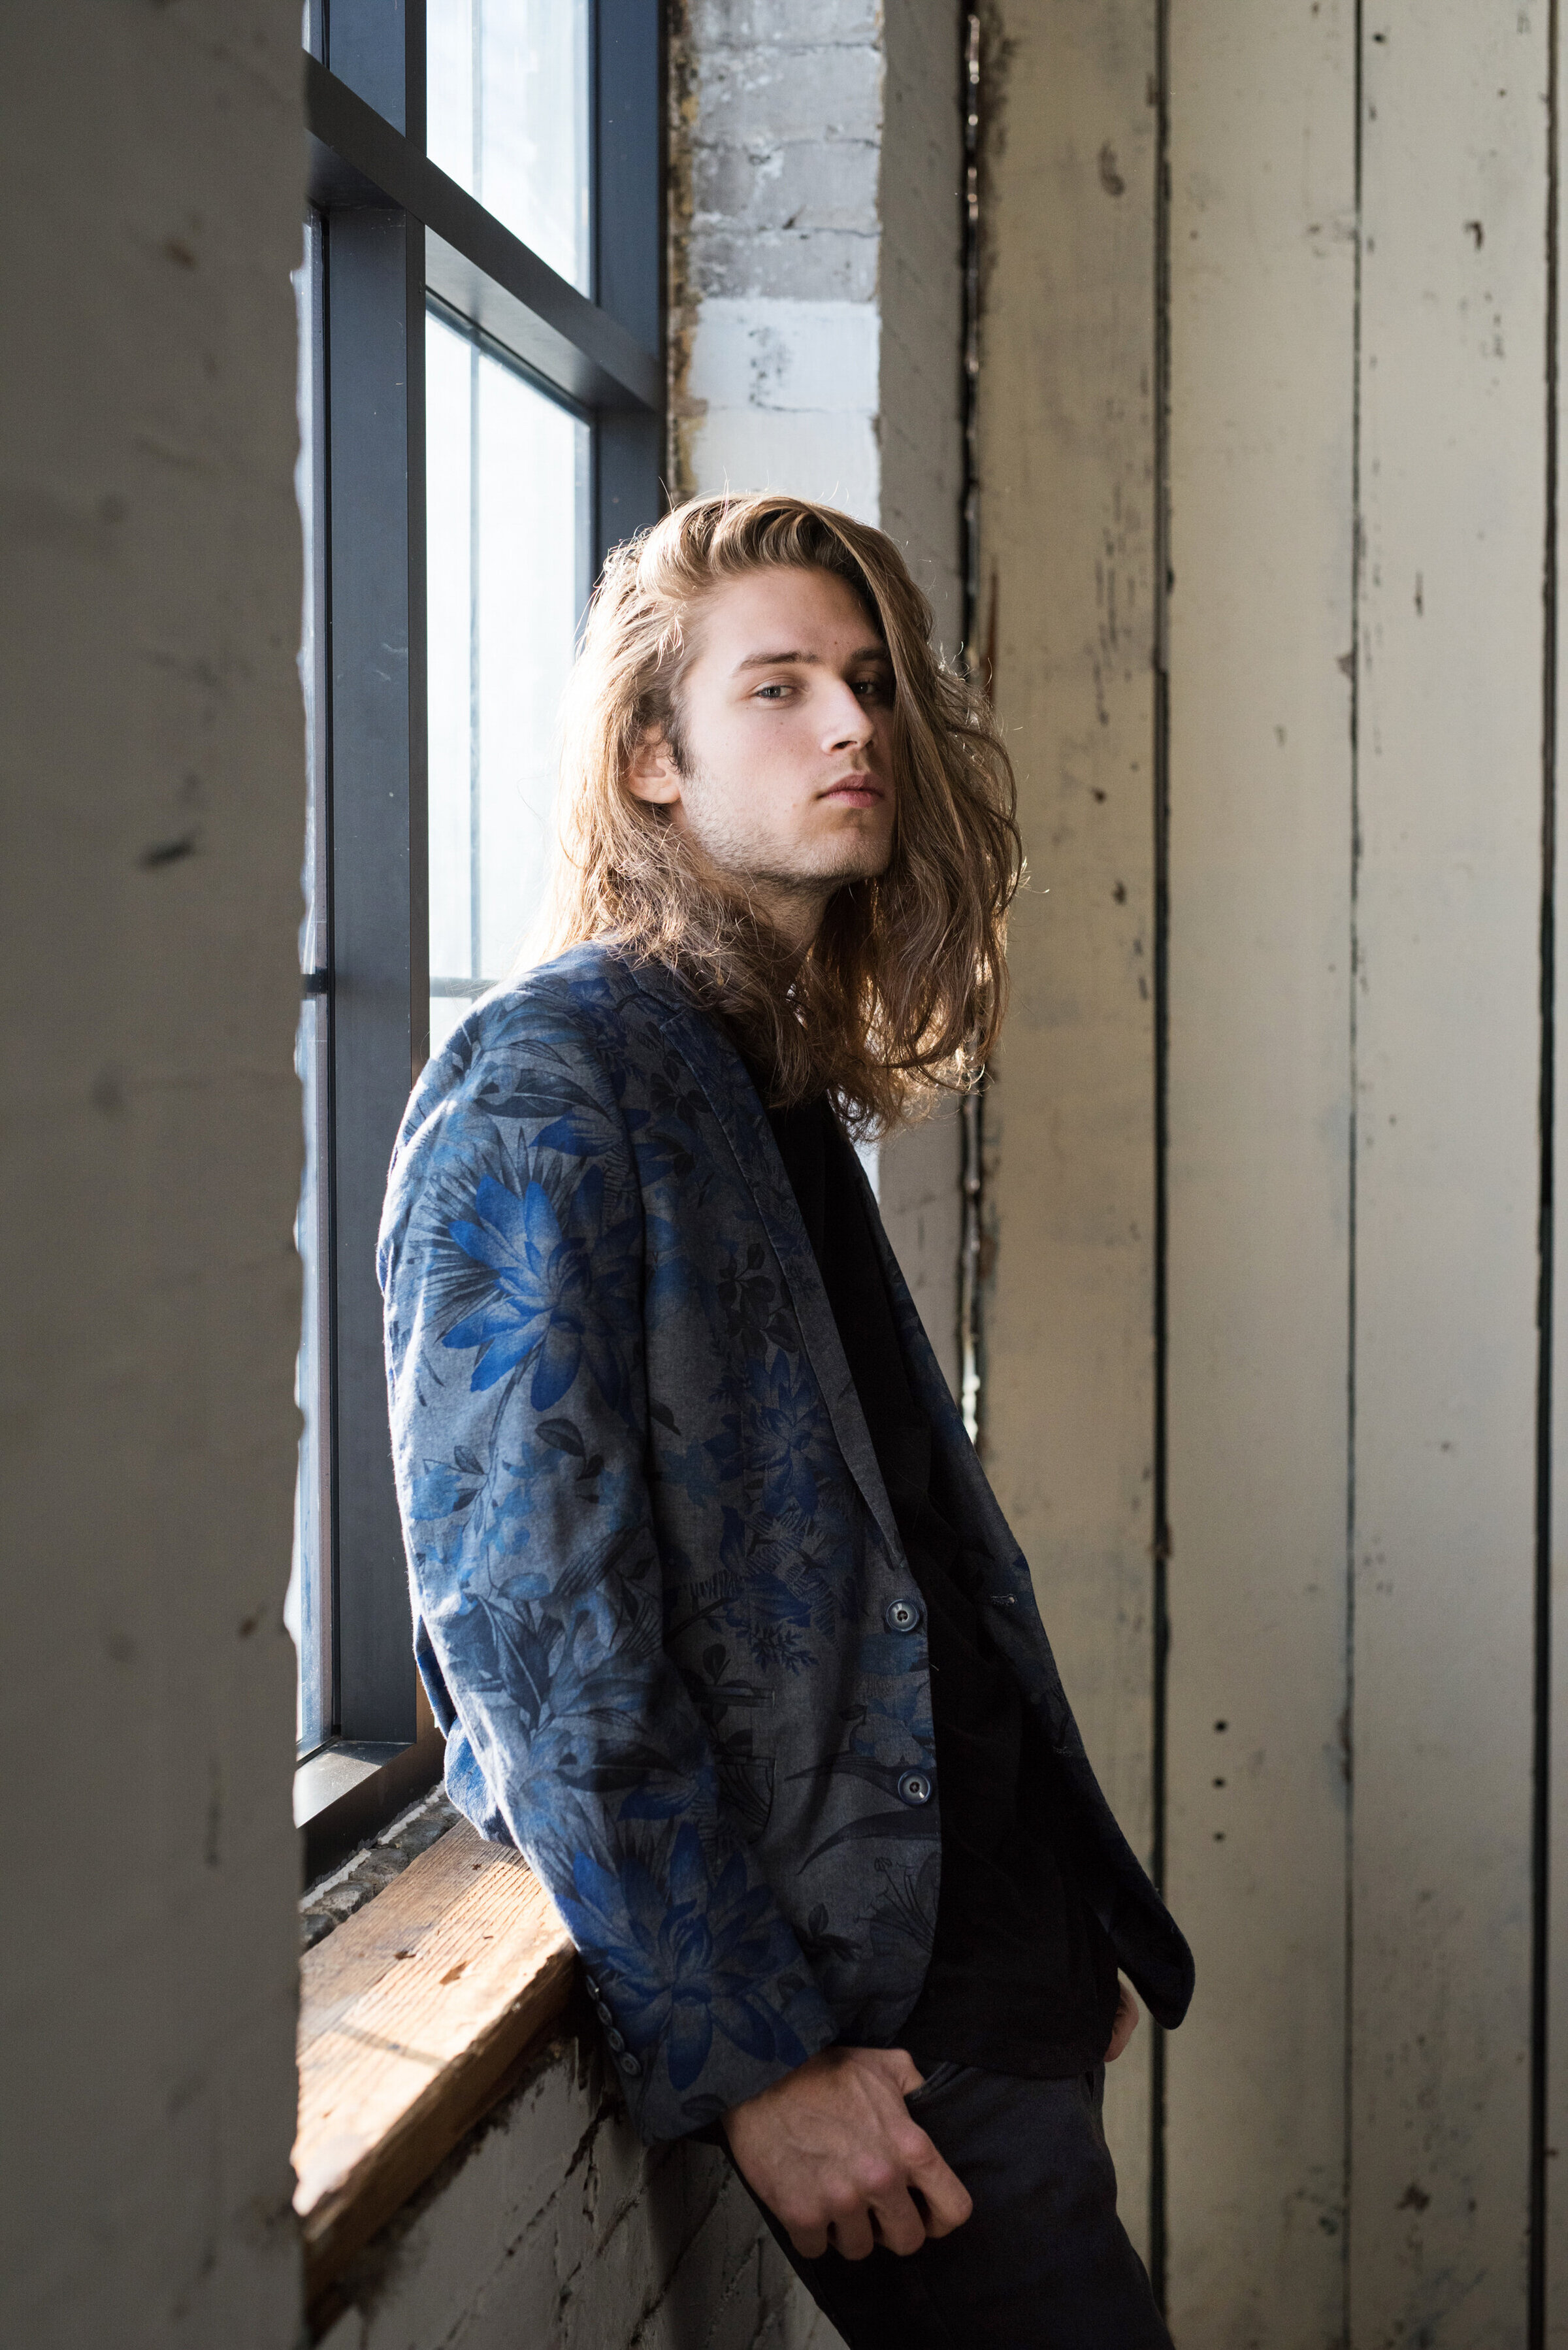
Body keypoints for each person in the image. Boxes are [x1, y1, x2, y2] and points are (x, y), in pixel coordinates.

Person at [379, 493, 1193, 2346]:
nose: (854, 726)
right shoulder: (548, 1081)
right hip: (860, 2034)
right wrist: (755, 2058)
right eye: (780, 687)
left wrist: (1048, 1910)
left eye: (870, 681)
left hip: (980, 1977)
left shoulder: (759, 1078)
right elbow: (531, 1630)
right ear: (652, 760)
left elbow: (895, 1551)